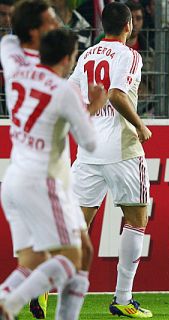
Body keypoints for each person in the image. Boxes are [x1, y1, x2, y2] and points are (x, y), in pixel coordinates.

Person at [0, 28, 107, 320]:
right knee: (70, 258)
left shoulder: (19, 71)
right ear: (67, 58)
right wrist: (95, 105)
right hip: (44, 182)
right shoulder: (63, 90)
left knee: (77, 253)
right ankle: (8, 299)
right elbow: (89, 142)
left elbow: (8, 41)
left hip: (16, 177)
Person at [69, 2, 153, 318]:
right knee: (136, 221)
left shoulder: (87, 55)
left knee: (78, 226)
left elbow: (70, 95)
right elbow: (118, 94)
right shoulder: (129, 55)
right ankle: (123, 298)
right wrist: (140, 125)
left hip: (88, 152)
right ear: (129, 25)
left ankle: (51, 287)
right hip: (121, 150)